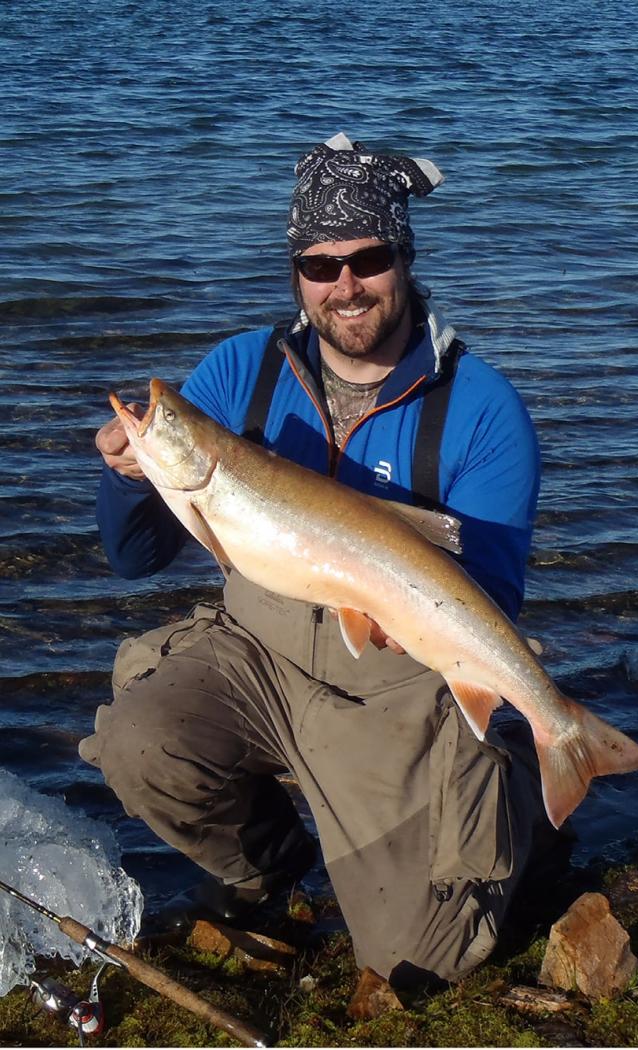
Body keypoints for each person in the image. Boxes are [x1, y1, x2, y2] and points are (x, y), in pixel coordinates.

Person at [80, 133, 552, 987]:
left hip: (393, 677)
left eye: (367, 258)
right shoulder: (238, 371)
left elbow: (489, 610)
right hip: (258, 651)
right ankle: (272, 870)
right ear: (296, 272)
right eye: (318, 263)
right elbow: (134, 556)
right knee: (139, 743)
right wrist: (129, 470)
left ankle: (517, 783)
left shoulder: (484, 412)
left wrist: (394, 605)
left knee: (418, 961)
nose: (344, 285)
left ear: (402, 258)